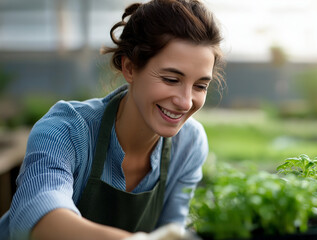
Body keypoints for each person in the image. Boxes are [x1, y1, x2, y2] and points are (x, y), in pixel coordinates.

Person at [0, 0, 224, 239]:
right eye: (171, 79)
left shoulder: (189, 144)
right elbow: (39, 219)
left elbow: (171, 230)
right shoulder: (65, 130)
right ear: (129, 68)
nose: (186, 102)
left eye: (200, 86)